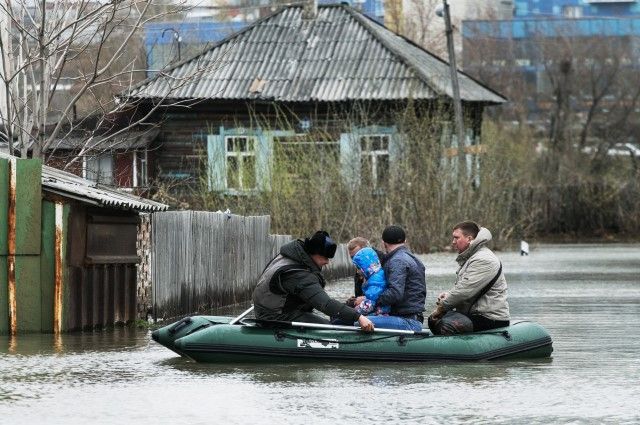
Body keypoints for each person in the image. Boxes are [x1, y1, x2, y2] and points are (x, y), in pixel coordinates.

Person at [252, 230, 374, 331]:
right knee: (331, 330)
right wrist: (358, 317)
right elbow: (325, 304)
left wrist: (348, 306)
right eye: (325, 257)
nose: (327, 262)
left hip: (275, 311)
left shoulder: (289, 257)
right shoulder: (297, 274)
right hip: (275, 317)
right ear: (313, 253)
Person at [428, 221, 510, 335]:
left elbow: (464, 291)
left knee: (445, 325)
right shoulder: (472, 257)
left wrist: (442, 306)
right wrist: (448, 295)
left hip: (490, 318)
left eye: (456, 238)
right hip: (474, 314)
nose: (453, 242)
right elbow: (466, 288)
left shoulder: (483, 259)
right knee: (432, 321)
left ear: (469, 239)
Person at [355, 225, 426, 332]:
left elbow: (395, 293)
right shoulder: (413, 258)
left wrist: (368, 300)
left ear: (384, 243)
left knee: (358, 322)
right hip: (412, 317)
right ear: (405, 241)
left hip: (408, 321)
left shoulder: (397, 261)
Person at [347, 241, 390, 315]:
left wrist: (353, 313)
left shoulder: (375, 281)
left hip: (378, 313)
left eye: (358, 268)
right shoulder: (373, 274)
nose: (357, 271)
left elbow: (369, 304)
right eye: (352, 257)